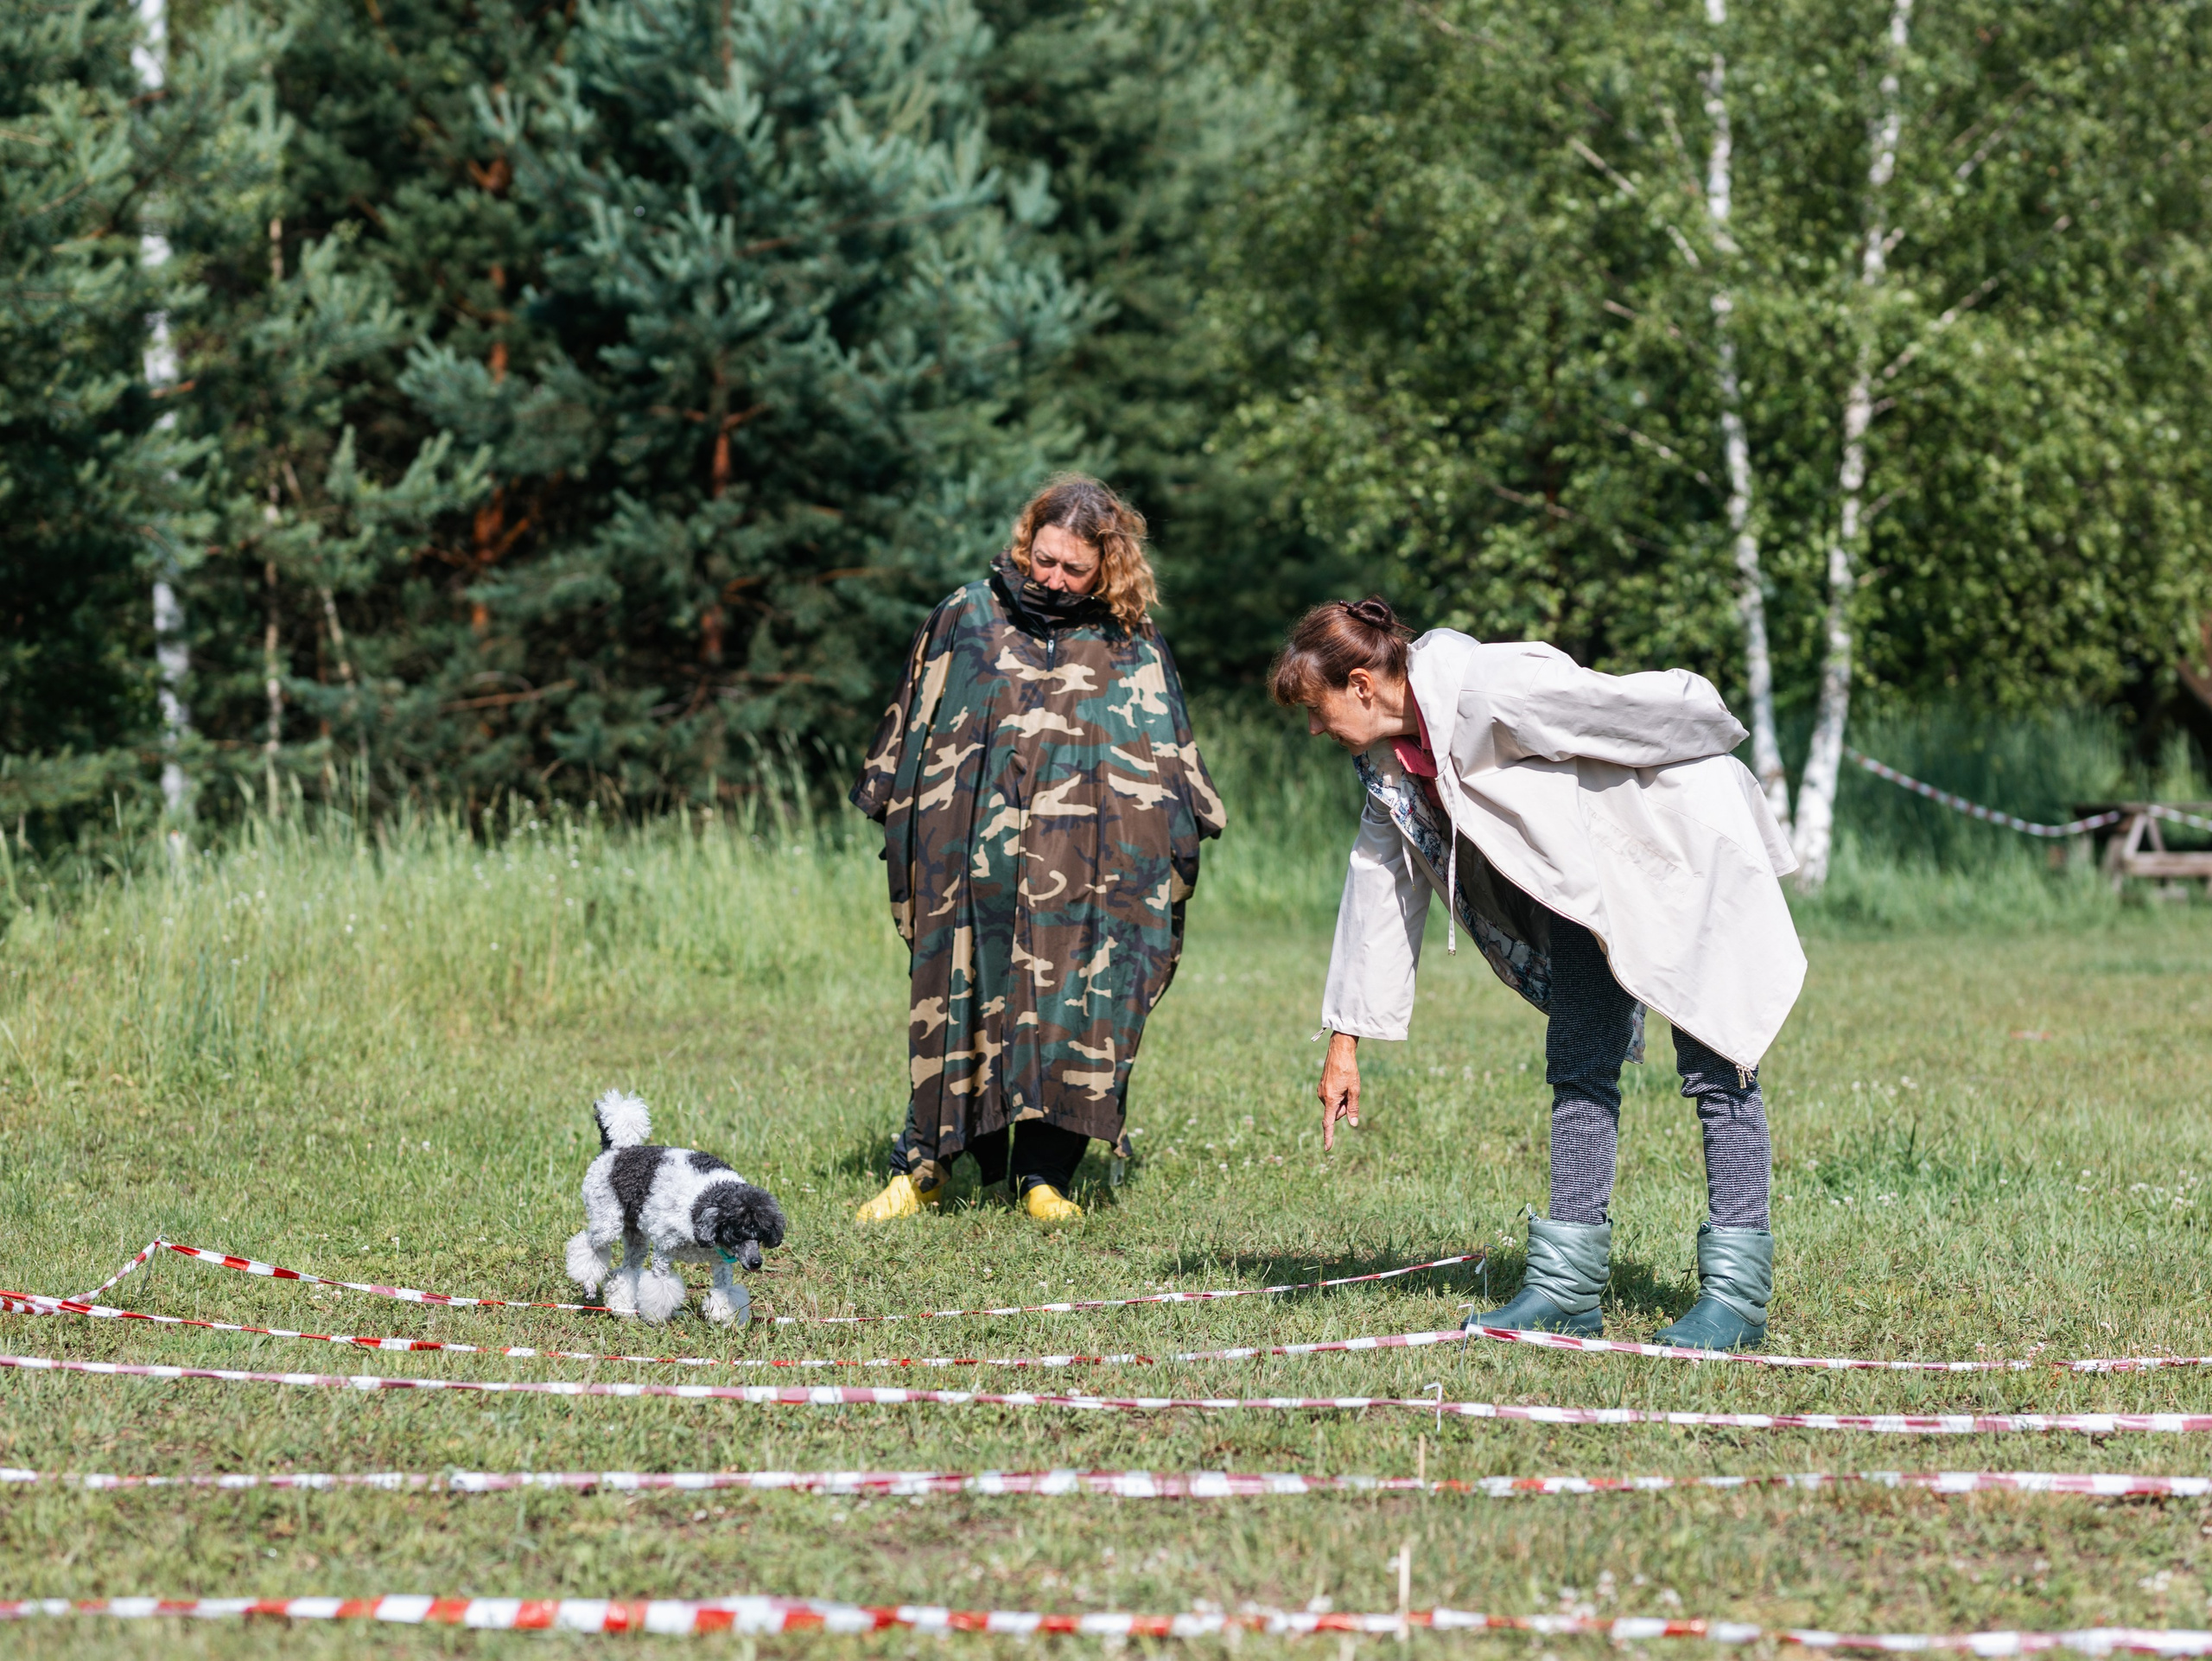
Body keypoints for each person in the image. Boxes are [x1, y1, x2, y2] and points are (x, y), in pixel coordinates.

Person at [1273, 598, 1805, 1349]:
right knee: (1579, 1064)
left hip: (1681, 860)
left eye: (1317, 709)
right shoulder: (1392, 764)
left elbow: (1645, 712)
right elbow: (1379, 887)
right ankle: (1564, 1291)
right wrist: (1346, 1040)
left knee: (1721, 1065)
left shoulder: (1493, 686)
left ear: (1361, 684)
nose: (1315, 729)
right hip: (1590, 896)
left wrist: (1717, 742)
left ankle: (1737, 1302)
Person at [849, 475, 1225, 1224]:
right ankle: (922, 1169)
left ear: (1107, 566)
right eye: (1042, 559)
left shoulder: (1131, 641)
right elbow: (909, 734)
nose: (1051, 578)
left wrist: (1168, 845)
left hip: (1088, 876)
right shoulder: (966, 617)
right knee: (955, 1006)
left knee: (1078, 1010)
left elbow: (1166, 764)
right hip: (971, 867)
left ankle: (1043, 1178)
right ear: (1027, 543)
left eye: (1072, 568)